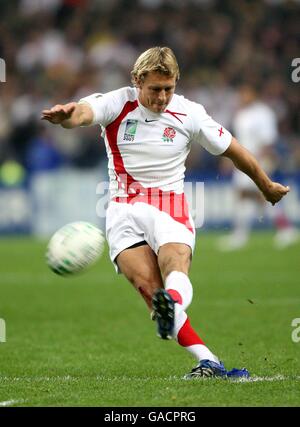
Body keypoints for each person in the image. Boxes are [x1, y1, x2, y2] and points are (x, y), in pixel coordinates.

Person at [41, 47, 290, 379]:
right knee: (149, 289)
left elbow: (235, 150)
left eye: (168, 89)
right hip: (122, 211)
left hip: (169, 205)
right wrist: (67, 117)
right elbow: (84, 112)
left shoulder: (190, 113)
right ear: (137, 80)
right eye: (155, 89)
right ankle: (208, 360)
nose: (161, 97)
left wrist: (265, 185)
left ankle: (172, 302)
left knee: (175, 267)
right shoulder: (119, 102)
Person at [217, 83, 298, 251]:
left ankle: (245, 235)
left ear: (253, 94)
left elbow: (269, 140)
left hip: (258, 161)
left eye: (245, 93)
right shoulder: (241, 114)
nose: (242, 97)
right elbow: (237, 141)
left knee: (260, 193)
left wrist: (260, 160)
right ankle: (279, 229)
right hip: (244, 161)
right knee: (248, 195)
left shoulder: (263, 113)